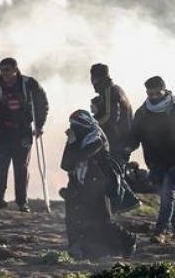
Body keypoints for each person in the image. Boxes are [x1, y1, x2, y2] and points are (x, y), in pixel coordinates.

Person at [132, 76, 175, 244]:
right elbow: (134, 137)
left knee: (167, 191)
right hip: (155, 162)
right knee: (165, 193)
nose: (154, 97)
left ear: (164, 90)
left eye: (157, 93)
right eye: (150, 93)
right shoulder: (142, 113)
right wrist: (124, 149)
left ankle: (161, 230)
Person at [60, 110, 136, 258]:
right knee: (73, 218)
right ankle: (76, 248)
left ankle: (129, 240)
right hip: (79, 184)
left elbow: (83, 156)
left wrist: (73, 143)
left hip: (99, 185)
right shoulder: (75, 139)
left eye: (78, 125)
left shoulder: (96, 138)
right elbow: (66, 164)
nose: (74, 128)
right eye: (72, 125)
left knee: (103, 222)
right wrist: (71, 142)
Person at [0, 57, 49, 212]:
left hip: (23, 130)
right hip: (4, 130)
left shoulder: (29, 84)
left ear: (15, 69)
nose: (3, 74)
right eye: (1, 70)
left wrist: (39, 125)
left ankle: (22, 202)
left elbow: (42, 104)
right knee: (2, 165)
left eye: (6, 70)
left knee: (21, 166)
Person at [90, 63, 141, 213]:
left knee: (112, 171)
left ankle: (126, 201)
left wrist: (91, 124)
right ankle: (118, 203)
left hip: (117, 140)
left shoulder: (109, 92)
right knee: (113, 171)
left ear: (94, 78)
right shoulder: (115, 90)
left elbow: (108, 117)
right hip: (122, 139)